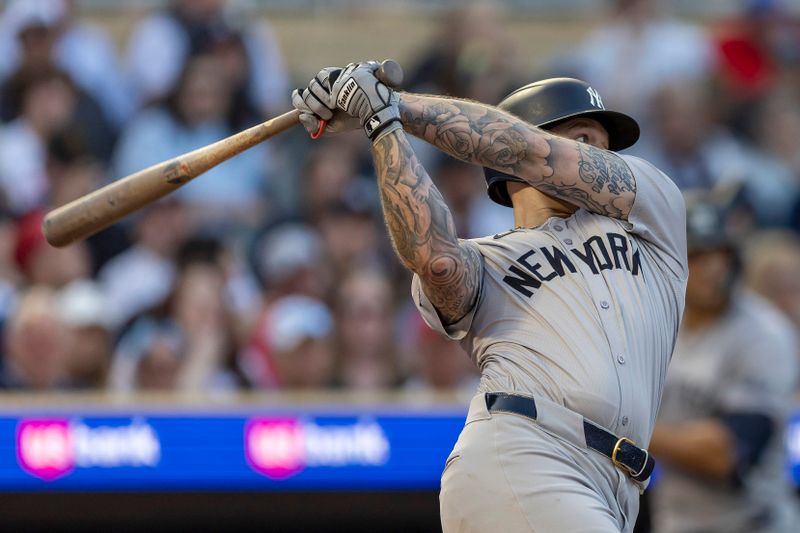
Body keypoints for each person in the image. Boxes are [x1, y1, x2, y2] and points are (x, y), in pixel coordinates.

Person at [292, 63, 687, 531]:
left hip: (616, 485)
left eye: (602, 144)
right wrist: (382, 124)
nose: (598, 155)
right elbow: (434, 259)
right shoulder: (487, 258)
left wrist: (389, 102)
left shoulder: (653, 215)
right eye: (581, 138)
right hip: (526, 453)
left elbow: (533, 152)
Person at [648, 198, 799, 532]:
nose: (713, 268)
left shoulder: (765, 332)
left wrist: (628, 428)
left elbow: (727, 454)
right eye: (698, 255)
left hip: (750, 521)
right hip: (675, 519)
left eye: (721, 253)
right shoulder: (660, 322)